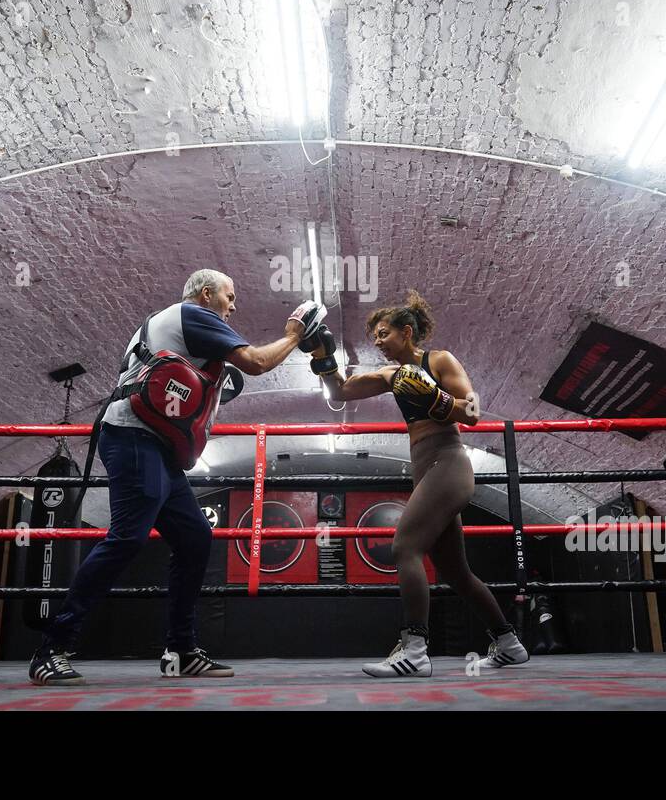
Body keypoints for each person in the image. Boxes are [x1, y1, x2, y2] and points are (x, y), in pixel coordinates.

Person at [29, 269, 325, 685]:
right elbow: (257, 363)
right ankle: (52, 648)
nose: (233, 305)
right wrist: (295, 333)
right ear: (207, 294)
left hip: (155, 447)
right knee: (129, 536)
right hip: (134, 437)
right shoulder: (194, 314)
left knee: (194, 538)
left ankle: (181, 650)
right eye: (230, 296)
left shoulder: (175, 326)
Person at [303, 290, 529, 677]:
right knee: (457, 573)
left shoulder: (438, 360)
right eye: (374, 335)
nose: (377, 341)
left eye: (383, 333)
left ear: (407, 332)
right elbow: (339, 392)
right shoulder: (392, 375)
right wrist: (323, 356)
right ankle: (509, 643)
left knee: (405, 545)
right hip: (426, 469)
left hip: (449, 462)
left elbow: (472, 411)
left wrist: (436, 400)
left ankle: (415, 650)